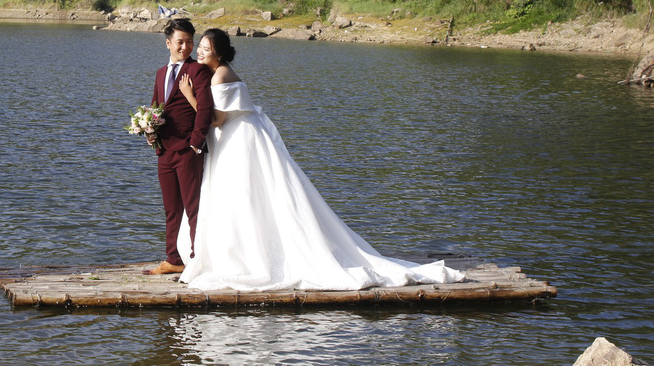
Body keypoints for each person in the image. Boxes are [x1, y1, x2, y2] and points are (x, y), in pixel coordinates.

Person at [175, 28, 465, 291]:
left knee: (245, 195)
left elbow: (216, 119)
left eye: (206, 48)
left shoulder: (221, 75)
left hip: (237, 139)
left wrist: (189, 95)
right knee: (245, 197)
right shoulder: (217, 72)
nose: (200, 51)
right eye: (200, 46)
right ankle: (242, 253)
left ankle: (248, 259)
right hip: (236, 138)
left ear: (220, 53)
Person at [143, 18, 214, 276]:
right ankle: (174, 259)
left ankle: (196, 259)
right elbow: (155, 108)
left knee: (193, 207)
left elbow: (205, 110)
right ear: (168, 43)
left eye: (189, 42)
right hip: (164, 151)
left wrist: (196, 144)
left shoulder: (198, 71)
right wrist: (150, 132)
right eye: (180, 42)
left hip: (188, 150)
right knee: (172, 209)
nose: (185, 47)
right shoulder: (161, 73)